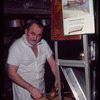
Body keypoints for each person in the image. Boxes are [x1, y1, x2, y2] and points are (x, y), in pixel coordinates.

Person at [7, 20, 58, 100]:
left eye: (39, 35)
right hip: (24, 92)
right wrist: (31, 88)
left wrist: (57, 78)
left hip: (41, 89)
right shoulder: (16, 47)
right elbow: (11, 74)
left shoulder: (43, 44)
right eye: (33, 33)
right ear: (26, 31)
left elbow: (53, 63)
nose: (35, 38)